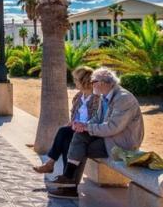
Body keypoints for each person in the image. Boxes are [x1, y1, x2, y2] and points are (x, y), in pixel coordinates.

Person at [47, 67, 144, 200]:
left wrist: (88, 127)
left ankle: (69, 185)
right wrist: (83, 126)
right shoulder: (104, 96)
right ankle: (68, 179)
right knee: (77, 135)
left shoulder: (123, 98)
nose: (91, 83)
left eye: (93, 81)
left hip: (121, 144)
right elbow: (97, 119)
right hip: (108, 138)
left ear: (103, 83)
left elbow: (112, 127)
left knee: (77, 145)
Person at [33, 66, 100, 174]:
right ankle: (65, 177)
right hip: (76, 129)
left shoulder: (97, 98)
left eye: (76, 80)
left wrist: (81, 125)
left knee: (63, 131)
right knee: (66, 140)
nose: (74, 82)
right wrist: (73, 122)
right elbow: (74, 114)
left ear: (85, 81)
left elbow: (96, 118)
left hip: (90, 131)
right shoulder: (79, 96)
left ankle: (51, 164)